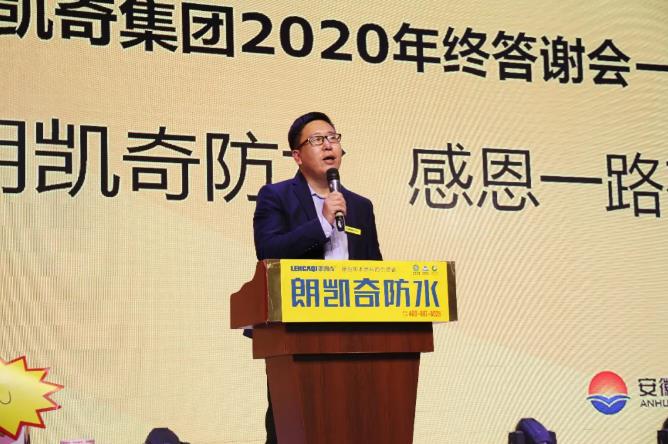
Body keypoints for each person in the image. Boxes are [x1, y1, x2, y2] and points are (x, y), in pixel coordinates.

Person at [252, 111, 382, 443]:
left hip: (355, 336)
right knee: (295, 426)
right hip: (298, 333)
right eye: (317, 140)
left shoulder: (361, 206)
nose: (328, 145)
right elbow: (268, 252)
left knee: (354, 424)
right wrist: (323, 223)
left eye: (333, 138)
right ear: (297, 156)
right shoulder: (276, 196)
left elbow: (375, 269)